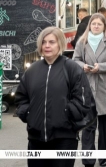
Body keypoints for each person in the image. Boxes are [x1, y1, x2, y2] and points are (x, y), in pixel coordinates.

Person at [15, 26, 94, 167]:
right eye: (44, 42)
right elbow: (21, 97)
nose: (47, 45)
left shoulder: (72, 68)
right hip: (36, 139)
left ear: (60, 44)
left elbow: (83, 101)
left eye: (51, 42)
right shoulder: (32, 70)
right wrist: (28, 113)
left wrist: (66, 115)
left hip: (64, 139)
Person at [72, 13, 106, 167]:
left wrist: (101, 67)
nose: (96, 26)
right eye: (94, 24)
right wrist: (83, 66)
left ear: (104, 26)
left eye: (100, 24)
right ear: (90, 26)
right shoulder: (82, 41)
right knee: (88, 126)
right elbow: (75, 60)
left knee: (104, 127)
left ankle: (103, 157)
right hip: (87, 88)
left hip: (105, 87)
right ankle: (88, 159)